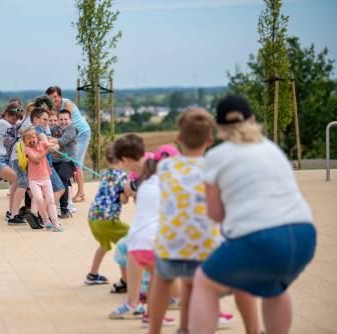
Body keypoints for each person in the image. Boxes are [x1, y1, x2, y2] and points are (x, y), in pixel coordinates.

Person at [189, 96, 316, 334]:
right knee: (275, 287)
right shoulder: (272, 149)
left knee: (205, 283)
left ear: (219, 128)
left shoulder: (216, 156)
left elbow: (215, 213)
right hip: (304, 234)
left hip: (258, 237)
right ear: (253, 120)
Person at [148, 108, 235, 334]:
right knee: (197, 284)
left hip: (170, 246)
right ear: (210, 139)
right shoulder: (214, 168)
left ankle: (154, 329)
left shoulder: (165, 166)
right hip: (204, 250)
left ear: (178, 138)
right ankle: (189, 327)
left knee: (162, 280)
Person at [110, 143, 180, 329]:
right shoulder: (164, 182)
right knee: (170, 284)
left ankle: (142, 310)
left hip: (139, 241)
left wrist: (128, 189)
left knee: (161, 281)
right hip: (150, 241)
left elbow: (129, 187)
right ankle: (150, 312)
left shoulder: (147, 180)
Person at [85, 143, 130, 286]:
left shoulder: (105, 173)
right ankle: (126, 281)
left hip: (93, 217)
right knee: (129, 241)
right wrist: (129, 192)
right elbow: (123, 199)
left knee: (104, 245)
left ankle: (92, 275)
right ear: (123, 159)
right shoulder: (123, 176)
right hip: (107, 219)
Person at [46, 85, 91, 203]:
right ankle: (67, 192)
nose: (53, 99)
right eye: (50, 98)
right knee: (67, 162)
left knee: (76, 163)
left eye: (55, 97)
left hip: (81, 133)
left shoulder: (67, 104)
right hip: (68, 136)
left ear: (60, 96)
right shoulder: (53, 107)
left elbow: (66, 123)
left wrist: (56, 139)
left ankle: (81, 194)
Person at [0, 102, 24, 225]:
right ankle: (12, 214)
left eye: (17, 118)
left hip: (6, 159)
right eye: (13, 117)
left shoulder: (11, 123)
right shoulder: (2, 123)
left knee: (19, 181)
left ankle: (13, 212)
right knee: (17, 179)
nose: (15, 120)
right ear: (6, 114)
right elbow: (19, 130)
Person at [22, 127, 62, 232]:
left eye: (33, 137)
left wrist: (54, 146)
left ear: (37, 138)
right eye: (27, 138)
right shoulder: (27, 150)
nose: (31, 140)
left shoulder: (43, 144)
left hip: (46, 178)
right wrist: (47, 151)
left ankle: (56, 223)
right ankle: (45, 220)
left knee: (50, 200)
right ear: (25, 142)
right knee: (39, 199)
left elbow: (55, 146)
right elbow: (37, 159)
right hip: (34, 180)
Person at [51, 109, 78, 219]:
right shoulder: (53, 129)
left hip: (68, 162)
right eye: (61, 119)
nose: (63, 122)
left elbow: (63, 140)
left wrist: (50, 140)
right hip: (54, 161)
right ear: (57, 120)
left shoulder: (72, 129)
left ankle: (65, 209)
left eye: (66, 119)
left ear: (70, 120)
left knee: (62, 179)